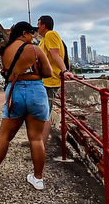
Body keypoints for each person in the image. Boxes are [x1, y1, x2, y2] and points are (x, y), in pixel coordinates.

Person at [0, 22, 52, 190]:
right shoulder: (35, 49)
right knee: (36, 138)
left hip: (15, 92)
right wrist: (35, 69)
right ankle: (38, 179)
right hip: (36, 92)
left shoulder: (5, 51)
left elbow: (7, 70)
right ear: (24, 33)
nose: (33, 37)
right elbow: (48, 73)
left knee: (4, 136)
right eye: (31, 33)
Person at [37, 15, 72, 144]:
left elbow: (55, 54)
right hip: (44, 81)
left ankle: (40, 146)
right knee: (40, 114)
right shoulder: (45, 39)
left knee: (45, 114)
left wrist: (64, 71)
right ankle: (37, 142)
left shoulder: (50, 34)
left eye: (38, 25)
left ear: (43, 26)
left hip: (49, 81)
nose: (38, 28)